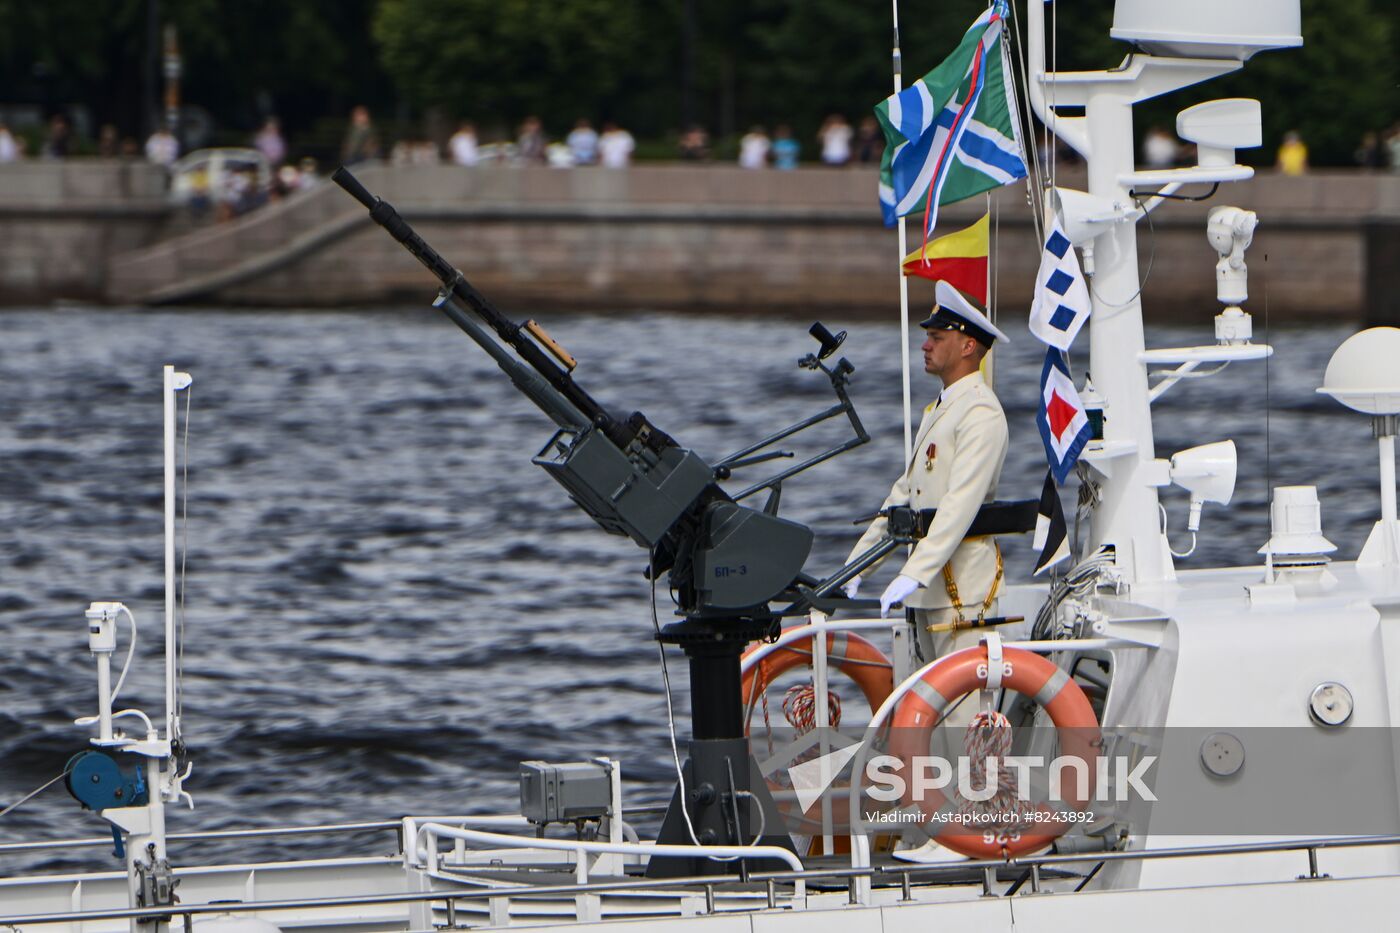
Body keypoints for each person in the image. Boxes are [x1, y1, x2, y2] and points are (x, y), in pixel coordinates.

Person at [843, 280, 1010, 662]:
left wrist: (912, 574)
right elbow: (902, 497)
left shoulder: (980, 412)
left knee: (965, 720)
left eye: (936, 337)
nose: (925, 345)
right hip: (929, 596)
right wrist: (856, 568)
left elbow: (959, 507)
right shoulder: (941, 410)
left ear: (968, 346)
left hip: (964, 598)